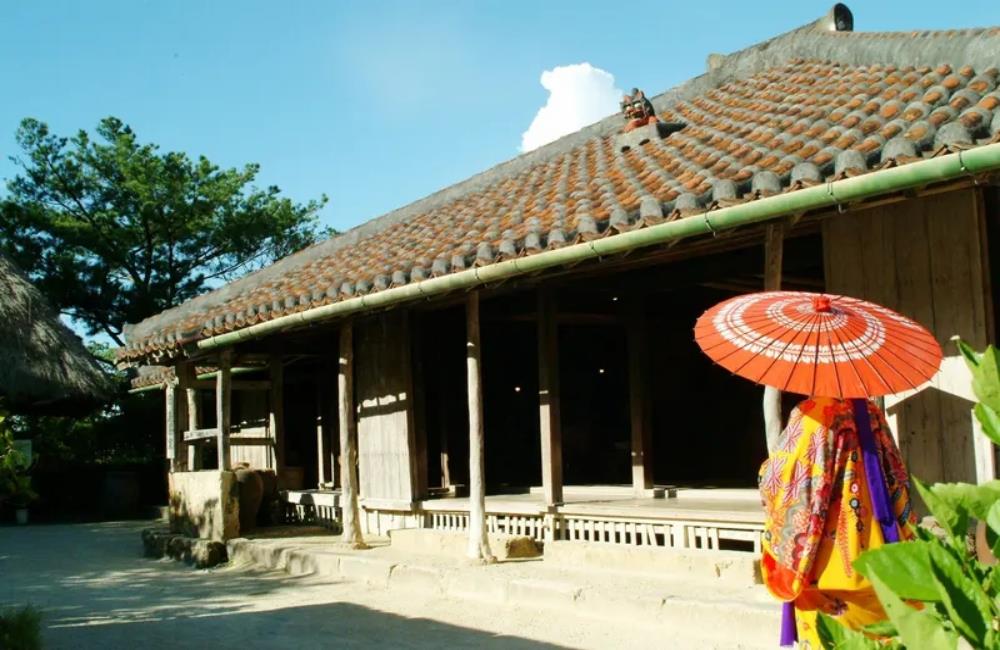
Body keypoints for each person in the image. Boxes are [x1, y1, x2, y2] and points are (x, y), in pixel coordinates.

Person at [758, 396, 917, 648]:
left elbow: (782, 485)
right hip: (879, 564)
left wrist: (767, 469)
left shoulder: (811, 414)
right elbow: (898, 480)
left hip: (825, 572)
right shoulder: (874, 414)